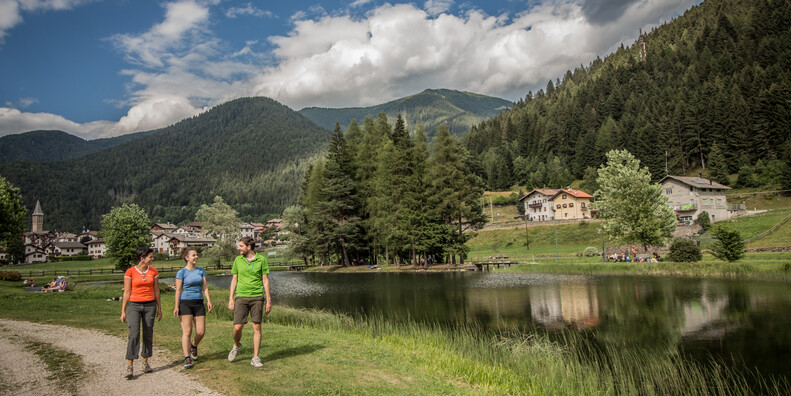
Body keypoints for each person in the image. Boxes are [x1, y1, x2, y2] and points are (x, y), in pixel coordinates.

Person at [227, 237, 271, 368]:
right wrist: (230, 298)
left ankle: (255, 357)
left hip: (257, 297)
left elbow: (265, 281)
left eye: (241, 246)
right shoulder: (238, 260)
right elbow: (234, 279)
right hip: (241, 297)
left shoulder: (261, 260)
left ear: (249, 247)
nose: (238, 248)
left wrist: (268, 300)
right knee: (237, 327)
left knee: (257, 327)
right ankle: (236, 345)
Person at [121, 247, 162, 379]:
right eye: (150, 257)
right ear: (142, 259)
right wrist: (123, 311)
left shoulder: (154, 271)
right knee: (134, 334)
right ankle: (130, 366)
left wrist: (159, 308)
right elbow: (126, 292)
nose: (152, 258)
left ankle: (145, 362)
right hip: (134, 305)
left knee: (148, 333)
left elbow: (156, 291)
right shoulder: (130, 272)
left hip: (150, 305)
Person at [174, 247, 213, 369]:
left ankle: (194, 345)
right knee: (187, 332)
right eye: (193, 255)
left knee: (200, 332)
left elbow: (205, 287)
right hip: (185, 303)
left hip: (199, 303)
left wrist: (209, 301)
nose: (196, 257)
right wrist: (176, 306)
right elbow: (178, 290)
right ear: (186, 258)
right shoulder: (182, 272)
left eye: (196, 255)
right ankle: (187, 358)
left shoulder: (201, 271)